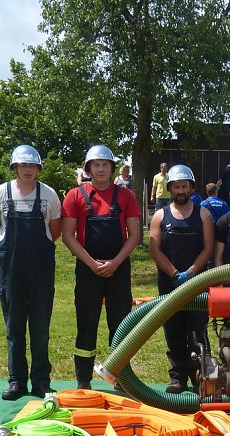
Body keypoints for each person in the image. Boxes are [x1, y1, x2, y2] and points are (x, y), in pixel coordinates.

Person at [61, 144, 141, 389]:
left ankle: (121, 380)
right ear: (88, 168)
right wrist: (92, 264)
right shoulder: (75, 195)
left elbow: (135, 235)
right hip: (88, 271)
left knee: (121, 326)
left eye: (105, 164)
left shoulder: (126, 196)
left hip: (118, 270)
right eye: (96, 165)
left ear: (112, 168)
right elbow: (67, 236)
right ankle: (83, 381)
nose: (101, 169)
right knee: (86, 325)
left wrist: (115, 263)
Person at [0, 144, 62, 400]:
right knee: (14, 325)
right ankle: (17, 381)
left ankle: (41, 381)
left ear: (38, 168)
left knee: (40, 326)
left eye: (33, 166)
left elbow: (55, 231)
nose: (28, 170)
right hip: (11, 268)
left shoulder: (49, 194)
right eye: (24, 165)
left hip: (41, 268)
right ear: (15, 168)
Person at [149, 164, 214, 393]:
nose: (180, 190)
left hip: (197, 282)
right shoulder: (160, 215)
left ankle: (199, 377)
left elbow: (208, 247)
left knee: (197, 331)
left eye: (184, 186)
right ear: (170, 188)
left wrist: (192, 273)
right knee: (173, 330)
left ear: (191, 187)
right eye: (176, 186)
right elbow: (155, 249)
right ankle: (177, 377)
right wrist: (175, 274)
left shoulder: (203, 214)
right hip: (170, 282)